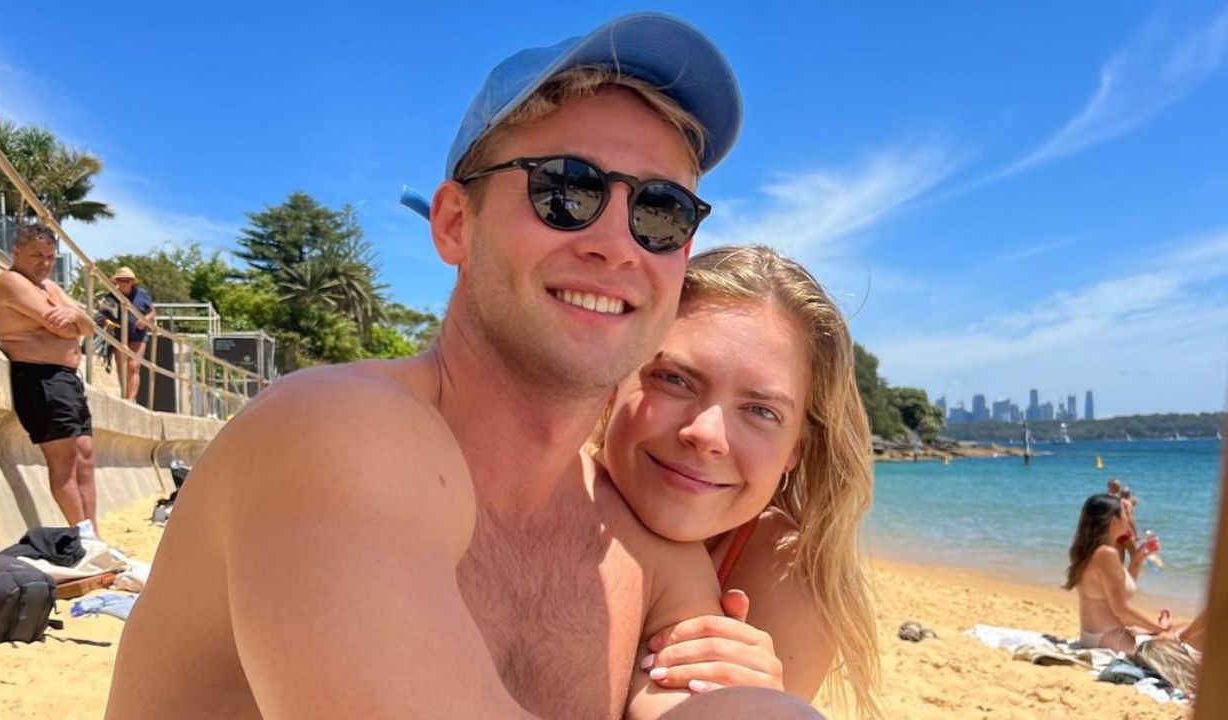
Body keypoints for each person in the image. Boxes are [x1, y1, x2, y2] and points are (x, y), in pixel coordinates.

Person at [108, 14, 817, 720]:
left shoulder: (646, 559)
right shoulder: (333, 432)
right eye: (565, 190)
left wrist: (746, 691)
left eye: (660, 212)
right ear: (454, 224)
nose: (616, 245)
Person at [597, 246, 879, 716]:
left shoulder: (792, 576)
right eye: (673, 379)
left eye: (761, 411)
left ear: (796, 448)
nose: (706, 435)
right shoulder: (527, 491)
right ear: (612, 378)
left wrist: (757, 698)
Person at [0, 222, 100, 539]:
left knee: (86, 459)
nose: (45, 263)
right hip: (39, 378)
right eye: (37, 255)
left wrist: (77, 317)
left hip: (67, 379)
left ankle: (95, 536)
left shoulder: (50, 288)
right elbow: (63, 329)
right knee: (64, 462)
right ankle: (83, 537)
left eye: (50, 256)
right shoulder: (10, 282)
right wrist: (74, 319)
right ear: (17, 252)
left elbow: (88, 327)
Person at [1064, 494, 1170, 651]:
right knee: (1180, 635)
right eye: (1125, 514)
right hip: (1110, 638)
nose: (1128, 518)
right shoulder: (1106, 553)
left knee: (1182, 630)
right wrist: (1161, 629)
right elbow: (1120, 609)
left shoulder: (1091, 551)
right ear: (1114, 521)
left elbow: (1121, 590)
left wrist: (1137, 559)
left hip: (1095, 636)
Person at [98, 266, 155, 402]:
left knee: (133, 366)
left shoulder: (142, 294)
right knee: (122, 366)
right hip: (119, 334)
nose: (124, 283)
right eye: (120, 280)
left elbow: (153, 311)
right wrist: (106, 321)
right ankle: (124, 396)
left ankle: (131, 398)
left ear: (132, 282)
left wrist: (145, 320)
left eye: (127, 280)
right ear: (116, 282)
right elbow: (102, 315)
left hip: (138, 335)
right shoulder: (111, 296)